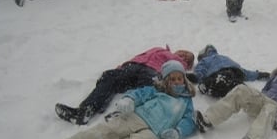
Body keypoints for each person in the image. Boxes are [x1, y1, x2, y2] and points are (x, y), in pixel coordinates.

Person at [39, 60, 197, 139]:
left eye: (179, 78)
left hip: (154, 133)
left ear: (184, 79)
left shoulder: (186, 100)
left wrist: (178, 131)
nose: (177, 82)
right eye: (172, 79)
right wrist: (129, 99)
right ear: (166, 80)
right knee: (105, 132)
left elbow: (189, 120)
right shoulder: (156, 89)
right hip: (136, 117)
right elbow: (139, 93)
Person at [55, 45, 195, 125]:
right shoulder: (161, 49)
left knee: (147, 90)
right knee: (110, 77)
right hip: (133, 65)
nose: (183, 55)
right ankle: (85, 111)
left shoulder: (178, 64)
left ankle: (122, 115)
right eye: (183, 52)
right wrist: (123, 66)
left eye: (187, 57)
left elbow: (179, 76)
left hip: (152, 71)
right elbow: (141, 55)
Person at [188, 44, 270, 98]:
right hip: (235, 73)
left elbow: (201, 70)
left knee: (220, 80)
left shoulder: (205, 60)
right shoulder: (226, 57)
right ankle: (242, 90)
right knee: (238, 85)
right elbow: (245, 72)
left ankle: (209, 86)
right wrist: (259, 74)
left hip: (217, 74)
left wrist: (195, 77)